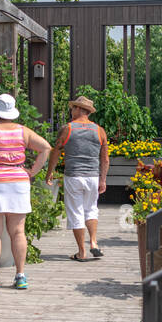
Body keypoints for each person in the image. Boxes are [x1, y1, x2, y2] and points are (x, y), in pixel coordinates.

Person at [0, 93, 52, 290]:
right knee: (18, 231)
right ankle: (20, 275)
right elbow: (46, 148)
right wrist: (32, 172)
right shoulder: (24, 132)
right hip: (18, 182)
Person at [44, 95, 108, 261]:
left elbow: (56, 151)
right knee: (91, 209)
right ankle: (93, 242)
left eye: (73, 108)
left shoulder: (68, 128)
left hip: (74, 176)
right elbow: (105, 159)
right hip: (93, 177)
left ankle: (82, 252)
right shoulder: (99, 130)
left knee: (76, 212)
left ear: (79, 109)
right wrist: (103, 179)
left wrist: (50, 171)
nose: (71, 110)